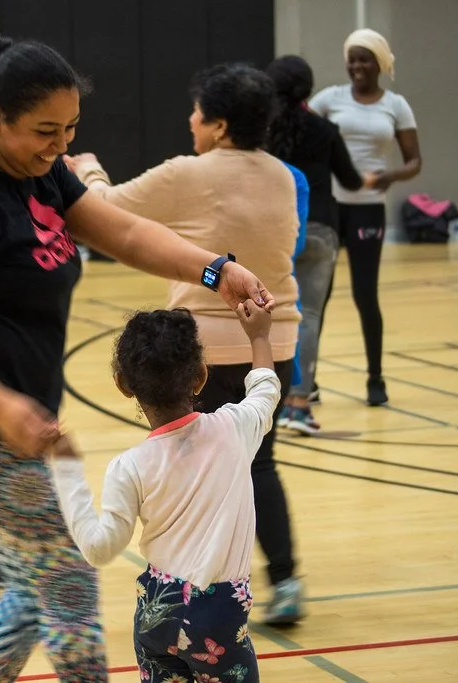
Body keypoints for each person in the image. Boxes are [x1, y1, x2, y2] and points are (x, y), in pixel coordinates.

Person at [0, 28, 276, 682]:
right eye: (46, 130)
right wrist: (0, 405)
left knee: (33, 581)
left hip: (20, 419)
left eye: (71, 128)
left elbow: (125, 232)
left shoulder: (44, 175)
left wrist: (216, 269)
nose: (61, 146)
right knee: (69, 582)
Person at [68, 63, 306, 624]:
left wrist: (89, 168)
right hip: (272, 337)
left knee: (185, 467)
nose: (190, 121)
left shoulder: (189, 172)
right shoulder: (280, 174)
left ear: (219, 126)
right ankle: (286, 580)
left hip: (200, 351)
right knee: (259, 465)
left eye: (198, 113)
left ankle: (194, 581)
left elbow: (107, 210)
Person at [50, 303, 279, 683]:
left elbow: (98, 548)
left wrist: (68, 469)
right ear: (200, 377)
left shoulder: (129, 466)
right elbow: (265, 390)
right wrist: (258, 336)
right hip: (217, 618)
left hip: (156, 610)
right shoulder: (235, 428)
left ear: (124, 385)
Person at [309, 29, 422, 406]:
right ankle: (307, 381)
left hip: (368, 207)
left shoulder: (396, 105)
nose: (357, 66)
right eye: (352, 59)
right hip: (328, 208)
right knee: (317, 296)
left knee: (365, 294)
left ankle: (375, 378)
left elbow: (414, 161)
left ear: (379, 63)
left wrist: (387, 177)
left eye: (365, 59)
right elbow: (301, 130)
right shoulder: (329, 99)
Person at [267, 54, 370, 433]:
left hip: (277, 231)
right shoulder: (326, 129)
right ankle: (299, 404)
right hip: (322, 228)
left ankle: (266, 403)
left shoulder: (262, 131)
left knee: (270, 315)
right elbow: (352, 180)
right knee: (308, 316)